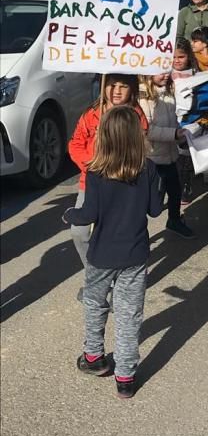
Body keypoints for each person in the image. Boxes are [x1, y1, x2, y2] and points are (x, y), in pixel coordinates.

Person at [63, 106, 163, 399]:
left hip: (101, 254)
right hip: (134, 254)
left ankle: (93, 357)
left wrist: (70, 214)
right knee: (129, 314)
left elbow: (88, 213)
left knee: (95, 304)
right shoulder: (147, 169)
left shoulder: (95, 170)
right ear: (136, 136)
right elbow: (155, 210)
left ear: (104, 136)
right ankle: (126, 376)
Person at [68, 75, 149, 298]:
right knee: (79, 232)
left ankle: (120, 279)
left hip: (124, 185)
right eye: (112, 85)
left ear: (132, 90)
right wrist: (91, 165)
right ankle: (96, 276)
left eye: (123, 86)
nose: (116, 90)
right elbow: (75, 144)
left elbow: (141, 147)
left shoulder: (136, 116)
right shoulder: (91, 114)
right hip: (91, 181)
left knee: (117, 234)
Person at [139, 74, 195, 239]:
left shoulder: (169, 91)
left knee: (175, 190)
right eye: (160, 71)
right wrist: (174, 134)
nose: (164, 74)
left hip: (170, 153)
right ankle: (138, 229)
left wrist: (181, 134)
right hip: (152, 157)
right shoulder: (143, 96)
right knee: (150, 198)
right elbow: (147, 129)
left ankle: (174, 220)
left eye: (166, 70)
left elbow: (172, 120)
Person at [171, 39, 197, 206]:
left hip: (189, 122)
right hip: (169, 119)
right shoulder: (165, 73)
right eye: (173, 57)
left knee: (185, 157)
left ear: (189, 56)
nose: (177, 60)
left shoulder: (196, 74)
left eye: (181, 56)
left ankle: (185, 186)